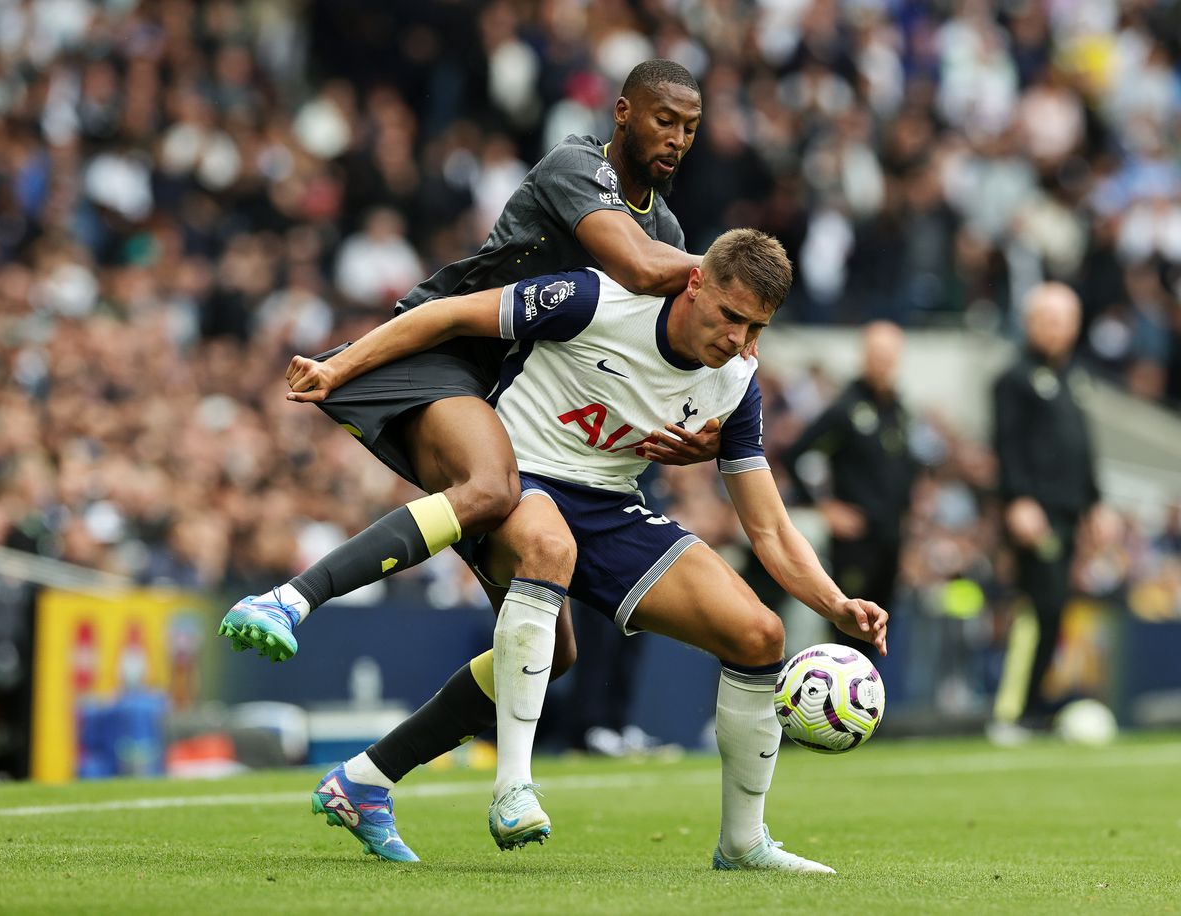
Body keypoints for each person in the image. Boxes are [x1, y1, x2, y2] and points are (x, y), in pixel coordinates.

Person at [219, 60, 715, 860]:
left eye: (690, 128)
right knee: (490, 486)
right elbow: (634, 269)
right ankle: (290, 599)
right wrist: (733, 276)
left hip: (513, 399)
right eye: (665, 121)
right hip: (446, 352)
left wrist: (702, 437)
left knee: (549, 652)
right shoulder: (577, 170)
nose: (677, 140)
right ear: (624, 113)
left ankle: (367, 780)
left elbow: (658, 357)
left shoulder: (673, 236)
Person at [291, 229, 889, 871]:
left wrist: (834, 602)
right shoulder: (596, 301)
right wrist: (339, 366)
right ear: (695, 283)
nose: (739, 342)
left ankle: (742, 843)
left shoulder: (736, 383)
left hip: (608, 505)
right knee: (549, 550)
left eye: (757, 328)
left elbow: (768, 528)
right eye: (731, 317)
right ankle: (512, 787)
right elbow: (445, 313)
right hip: (513, 477)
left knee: (759, 634)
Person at [989, 282, 1109, 744]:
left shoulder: (1073, 378)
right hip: (1035, 510)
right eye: (1048, 319)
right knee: (1038, 608)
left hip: (1067, 510)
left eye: (1065, 320)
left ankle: (1033, 709)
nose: (1057, 329)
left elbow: (1083, 449)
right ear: (1031, 322)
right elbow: (1008, 445)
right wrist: (1017, 499)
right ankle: (1011, 711)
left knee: (1056, 609)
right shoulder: (1015, 378)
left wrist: (1094, 503)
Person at [779, 321, 915, 661]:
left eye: (890, 355)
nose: (883, 362)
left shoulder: (898, 410)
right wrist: (824, 507)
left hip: (891, 540)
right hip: (855, 543)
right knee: (847, 630)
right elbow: (795, 454)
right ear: (864, 356)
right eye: (876, 354)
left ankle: (863, 708)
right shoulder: (846, 408)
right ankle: (833, 710)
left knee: (880, 632)